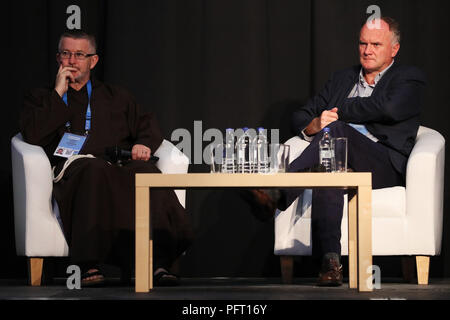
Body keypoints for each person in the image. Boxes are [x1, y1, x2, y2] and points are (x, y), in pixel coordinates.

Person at [250, 17, 426, 286]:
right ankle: (331, 264)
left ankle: (277, 194)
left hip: (383, 163)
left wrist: (338, 112)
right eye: (362, 43)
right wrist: (315, 124)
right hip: (337, 153)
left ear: (394, 49)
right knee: (329, 164)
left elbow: (389, 109)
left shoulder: (409, 78)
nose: (367, 50)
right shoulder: (342, 79)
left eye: (376, 44)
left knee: (337, 134)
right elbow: (300, 116)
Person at [20, 30, 193, 287]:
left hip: (118, 165)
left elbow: (146, 124)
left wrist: (143, 145)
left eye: (80, 55)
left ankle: (159, 262)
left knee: (146, 174)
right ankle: (87, 264)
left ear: (94, 61)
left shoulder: (116, 96)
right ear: (58, 58)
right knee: (93, 169)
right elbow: (32, 135)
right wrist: (58, 93)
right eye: (66, 54)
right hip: (75, 168)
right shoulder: (41, 97)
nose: (72, 60)